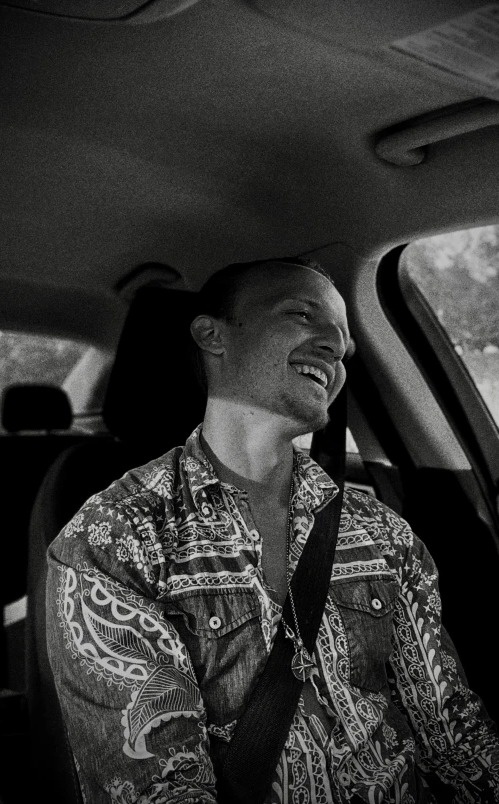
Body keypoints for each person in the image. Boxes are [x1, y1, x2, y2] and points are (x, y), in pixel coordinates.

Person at [46, 256, 499, 804]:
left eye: (344, 340)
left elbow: (457, 738)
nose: (335, 345)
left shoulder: (385, 533)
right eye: (303, 315)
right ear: (212, 335)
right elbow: (157, 788)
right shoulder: (114, 537)